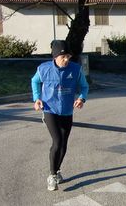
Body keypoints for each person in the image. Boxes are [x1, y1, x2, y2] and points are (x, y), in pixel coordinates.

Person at [31, 40, 89, 191]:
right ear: (55, 57)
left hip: (67, 111)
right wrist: (37, 98)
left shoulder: (75, 69)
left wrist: (81, 98)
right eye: (63, 57)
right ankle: (51, 175)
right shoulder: (44, 69)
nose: (66, 59)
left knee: (63, 144)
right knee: (57, 141)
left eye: (68, 56)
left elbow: (84, 86)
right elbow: (34, 82)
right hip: (50, 109)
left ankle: (57, 171)